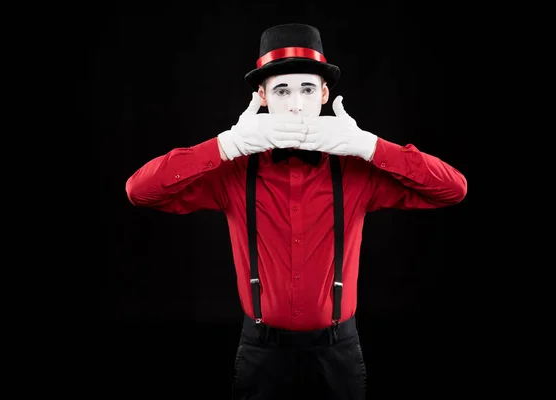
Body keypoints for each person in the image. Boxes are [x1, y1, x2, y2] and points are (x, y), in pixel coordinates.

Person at [125, 23, 467, 400]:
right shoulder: (235, 172)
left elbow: (452, 189)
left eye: (307, 89)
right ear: (262, 96)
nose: (296, 104)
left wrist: (370, 146)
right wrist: (224, 145)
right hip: (260, 353)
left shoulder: (356, 170)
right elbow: (140, 191)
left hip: (339, 353)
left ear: (323, 94)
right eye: (282, 90)